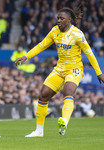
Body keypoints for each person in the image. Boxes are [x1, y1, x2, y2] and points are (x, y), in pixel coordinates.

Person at [15, 7, 104, 137]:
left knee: (67, 92)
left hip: (74, 69)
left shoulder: (77, 34)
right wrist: (26, 56)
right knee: (43, 95)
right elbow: (41, 45)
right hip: (60, 68)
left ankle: (65, 121)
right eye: (57, 18)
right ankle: (39, 131)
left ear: (69, 20)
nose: (58, 20)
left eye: (62, 18)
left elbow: (90, 54)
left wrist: (99, 72)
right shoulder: (54, 31)